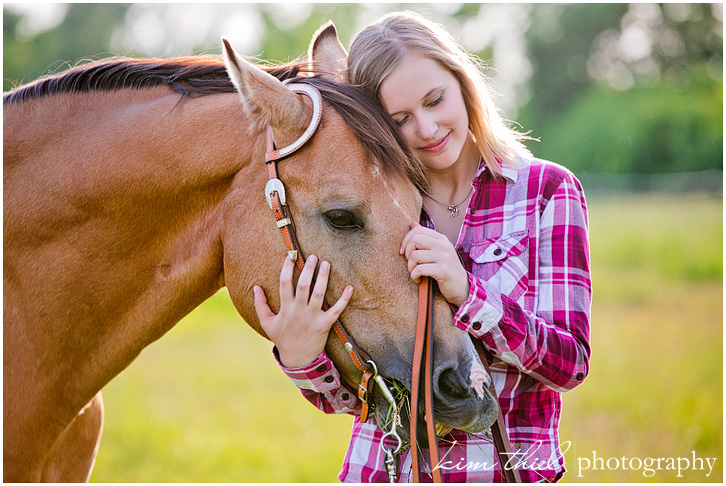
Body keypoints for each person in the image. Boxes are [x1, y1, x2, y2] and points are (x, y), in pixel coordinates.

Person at [252, 11, 591, 483]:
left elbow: (570, 363)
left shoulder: (546, 193)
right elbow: (361, 404)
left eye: (436, 100)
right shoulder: (373, 213)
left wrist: (469, 293)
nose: (428, 128)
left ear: (462, 81)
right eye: (401, 119)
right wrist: (301, 356)